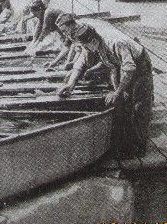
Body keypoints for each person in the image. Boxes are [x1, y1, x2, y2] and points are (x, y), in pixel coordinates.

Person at [55, 14, 154, 156]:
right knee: (124, 102)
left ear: (93, 40)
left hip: (139, 64)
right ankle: (126, 144)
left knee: (139, 106)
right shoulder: (91, 44)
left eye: (87, 47)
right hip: (121, 65)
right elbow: (85, 63)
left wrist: (118, 91)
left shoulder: (115, 43)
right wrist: (70, 85)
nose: (87, 50)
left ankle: (139, 148)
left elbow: (129, 68)